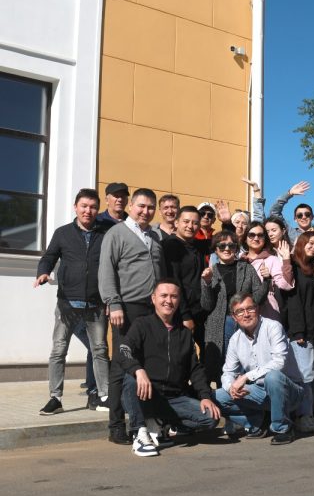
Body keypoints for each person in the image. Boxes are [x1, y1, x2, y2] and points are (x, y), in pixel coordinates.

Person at [120, 279, 220, 457]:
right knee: (130, 378)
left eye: (174, 296)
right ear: (153, 299)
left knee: (211, 419)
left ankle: (162, 423)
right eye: (164, 296)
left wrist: (205, 396)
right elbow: (124, 349)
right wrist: (138, 370)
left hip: (175, 399)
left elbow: (195, 369)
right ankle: (139, 432)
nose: (168, 300)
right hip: (147, 395)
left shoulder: (184, 333)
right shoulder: (141, 325)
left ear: (179, 300)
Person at [35, 188, 110, 415]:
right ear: (75, 207)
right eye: (84, 206)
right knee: (59, 351)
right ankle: (55, 398)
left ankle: (104, 396)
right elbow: (49, 256)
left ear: (98, 210)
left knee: (99, 350)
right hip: (67, 304)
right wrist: (43, 272)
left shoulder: (106, 233)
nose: (88, 211)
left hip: (96, 304)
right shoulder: (63, 233)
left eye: (93, 207)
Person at [99, 188, 165, 445]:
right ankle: (116, 426)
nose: (146, 211)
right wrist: (113, 303)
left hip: (152, 310)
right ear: (131, 206)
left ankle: (146, 422)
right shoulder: (116, 233)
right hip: (127, 308)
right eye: (141, 206)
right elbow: (106, 270)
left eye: (150, 207)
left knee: (147, 364)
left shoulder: (155, 237)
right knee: (121, 365)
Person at [214, 293, 304, 445]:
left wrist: (245, 377)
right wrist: (231, 388)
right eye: (240, 311)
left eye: (250, 308)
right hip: (259, 392)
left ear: (257, 309)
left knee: (273, 377)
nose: (246, 314)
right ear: (234, 317)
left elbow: (279, 362)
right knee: (216, 397)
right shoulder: (235, 339)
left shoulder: (273, 327)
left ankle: (283, 428)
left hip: (289, 391)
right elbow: (228, 372)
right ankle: (257, 422)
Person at [200, 231, 267, 385]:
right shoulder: (210, 272)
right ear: (215, 249)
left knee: (245, 365)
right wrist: (207, 283)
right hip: (220, 325)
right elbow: (206, 305)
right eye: (222, 245)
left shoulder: (247, 268)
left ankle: (244, 396)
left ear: (236, 248)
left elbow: (258, 299)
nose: (227, 249)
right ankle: (223, 396)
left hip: (245, 323)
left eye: (231, 245)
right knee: (221, 366)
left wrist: (267, 280)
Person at [283, 231, 314, 433]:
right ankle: (302, 416)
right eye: (310, 243)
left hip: (310, 329)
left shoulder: (310, 268)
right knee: (305, 375)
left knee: (308, 374)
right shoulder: (294, 266)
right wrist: (298, 331)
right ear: (301, 243)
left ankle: (307, 414)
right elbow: (294, 302)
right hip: (299, 332)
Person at [162, 206, 208, 354]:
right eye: (186, 221)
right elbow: (174, 283)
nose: (190, 226)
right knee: (181, 355)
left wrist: (227, 223)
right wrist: (185, 315)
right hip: (180, 313)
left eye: (195, 223)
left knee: (208, 355)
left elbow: (223, 241)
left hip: (200, 310)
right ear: (176, 222)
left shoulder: (197, 245)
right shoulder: (170, 246)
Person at [242, 221, 293, 322]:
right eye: (252, 235)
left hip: (267, 311)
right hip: (243, 311)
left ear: (265, 239)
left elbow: (285, 285)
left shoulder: (272, 260)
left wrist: (286, 260)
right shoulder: (239, 261)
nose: (256, 238)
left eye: (260, 235)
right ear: (245, 238)